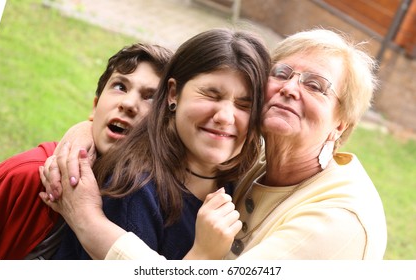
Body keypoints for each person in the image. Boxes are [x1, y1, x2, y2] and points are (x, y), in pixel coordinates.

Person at [42, 28, 387, 260]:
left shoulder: (338, 221)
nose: (290, 88)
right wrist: (83, 137)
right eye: (281, 73)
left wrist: (88, 220)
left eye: (316, 85)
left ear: (341, 124)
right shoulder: (244, 167)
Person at [41, 28, 271, 260]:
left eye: (244, 104)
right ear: (173, 93)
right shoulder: (134, 190)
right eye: (211, 95)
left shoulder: (244, 179)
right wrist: (203, 256)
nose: (225, 117)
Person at [0, 43, 173, 259]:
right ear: (95, 106)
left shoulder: (161, 202)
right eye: (120, 86)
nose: (128, 103)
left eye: (151, 97)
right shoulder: (30, 175)